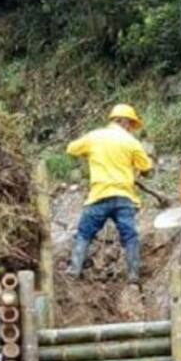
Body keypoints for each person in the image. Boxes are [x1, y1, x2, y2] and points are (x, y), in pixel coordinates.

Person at [65, 103, 153, 283]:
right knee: (130, 236)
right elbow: (146, 168)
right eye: (131, 125)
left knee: (84, 233)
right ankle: (133, 275)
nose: (131, 129)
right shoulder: (131, 142)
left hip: (99, 195)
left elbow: (71, 149)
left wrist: (90, 154)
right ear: (126, 122)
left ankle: (74, 270)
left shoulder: (95, 136)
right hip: (124, 197)